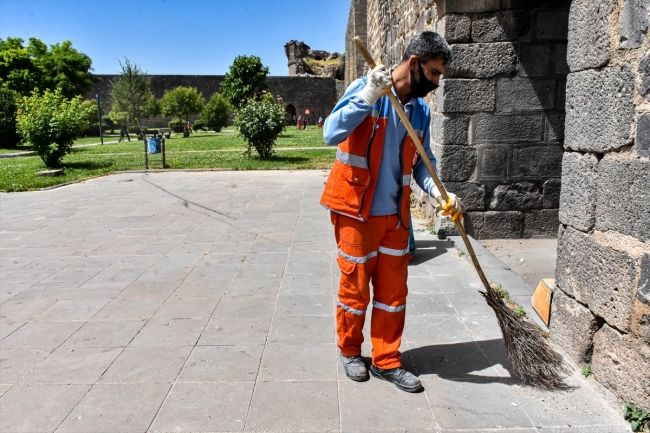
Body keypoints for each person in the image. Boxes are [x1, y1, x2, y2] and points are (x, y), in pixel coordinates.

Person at [321, 31, 463, 393]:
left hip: (396, 218)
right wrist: (368, 95)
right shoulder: (367, 88)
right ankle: (350, 351)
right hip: (356, 212)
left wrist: (439, 193)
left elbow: (422, 163)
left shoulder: (420, 111)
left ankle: (387, 359)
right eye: (433, 74)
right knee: (355, 290)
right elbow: (331, 132)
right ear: (414, 63)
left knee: (393, 293)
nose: (435, 84)